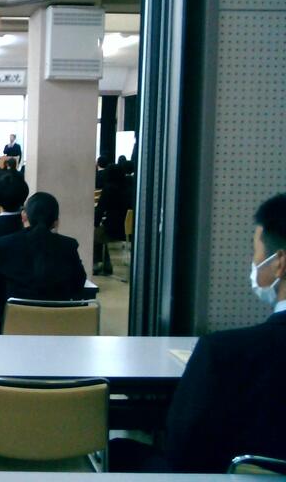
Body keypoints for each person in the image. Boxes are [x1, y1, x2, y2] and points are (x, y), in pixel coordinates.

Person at [111, 193, 286, 473]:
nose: (254, 262)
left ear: (279, 262)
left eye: (256, 251)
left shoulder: (222, 353)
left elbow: (181, 451)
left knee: (119, 451)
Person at [0, 192, 87, 332]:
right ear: (56, 221)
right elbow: (78, 284)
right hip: (59, 328)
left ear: (24, 216)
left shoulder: (4, 245)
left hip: (13, 327)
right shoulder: (68, 245)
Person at [93, 164, 129, 275]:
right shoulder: (129, 187)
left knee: (95, 235)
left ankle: (97, 264)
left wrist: (95, 223)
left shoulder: (109, 189)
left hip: (113, 229)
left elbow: (100, 209)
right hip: (129, 230)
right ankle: (106, 264)